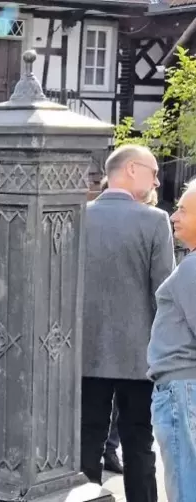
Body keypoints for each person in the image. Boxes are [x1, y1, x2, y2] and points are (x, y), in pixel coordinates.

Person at [82, 145, 174, 502]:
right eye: (153, 171)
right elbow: (161, 295)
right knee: (138, 444)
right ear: (132, 169)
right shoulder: (153, 221)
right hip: (140, 356)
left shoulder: (76, 216)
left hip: (85, 354)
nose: (156, 180)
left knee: (85, 441)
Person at [148, 179, 196, 502]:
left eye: (182, 209)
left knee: (185, 486)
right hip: (183, 388)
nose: (174, 216)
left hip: (182, 389)